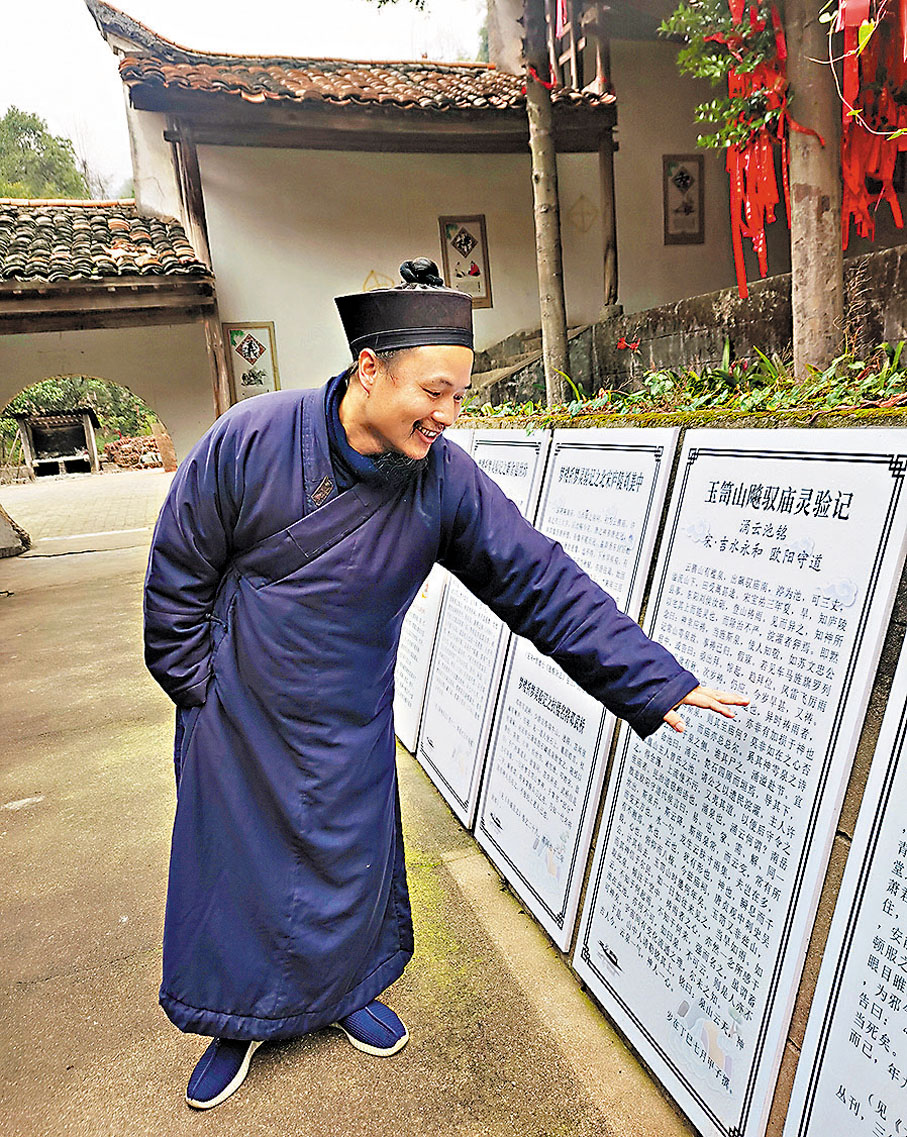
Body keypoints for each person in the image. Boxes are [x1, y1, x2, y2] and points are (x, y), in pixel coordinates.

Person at [143, 258, 747, 1111]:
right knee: (234, 874)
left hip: (348, 712)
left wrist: (655, 680)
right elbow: (177, 573)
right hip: (239, 709)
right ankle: (234, 1017)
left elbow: (539, 580)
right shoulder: (251, 437)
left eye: (459, 396)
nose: (448, 416)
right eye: (435, 392)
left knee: (348, 864)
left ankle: (343, 992)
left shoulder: (442, 480)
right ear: (368, 369)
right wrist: (198, 690)